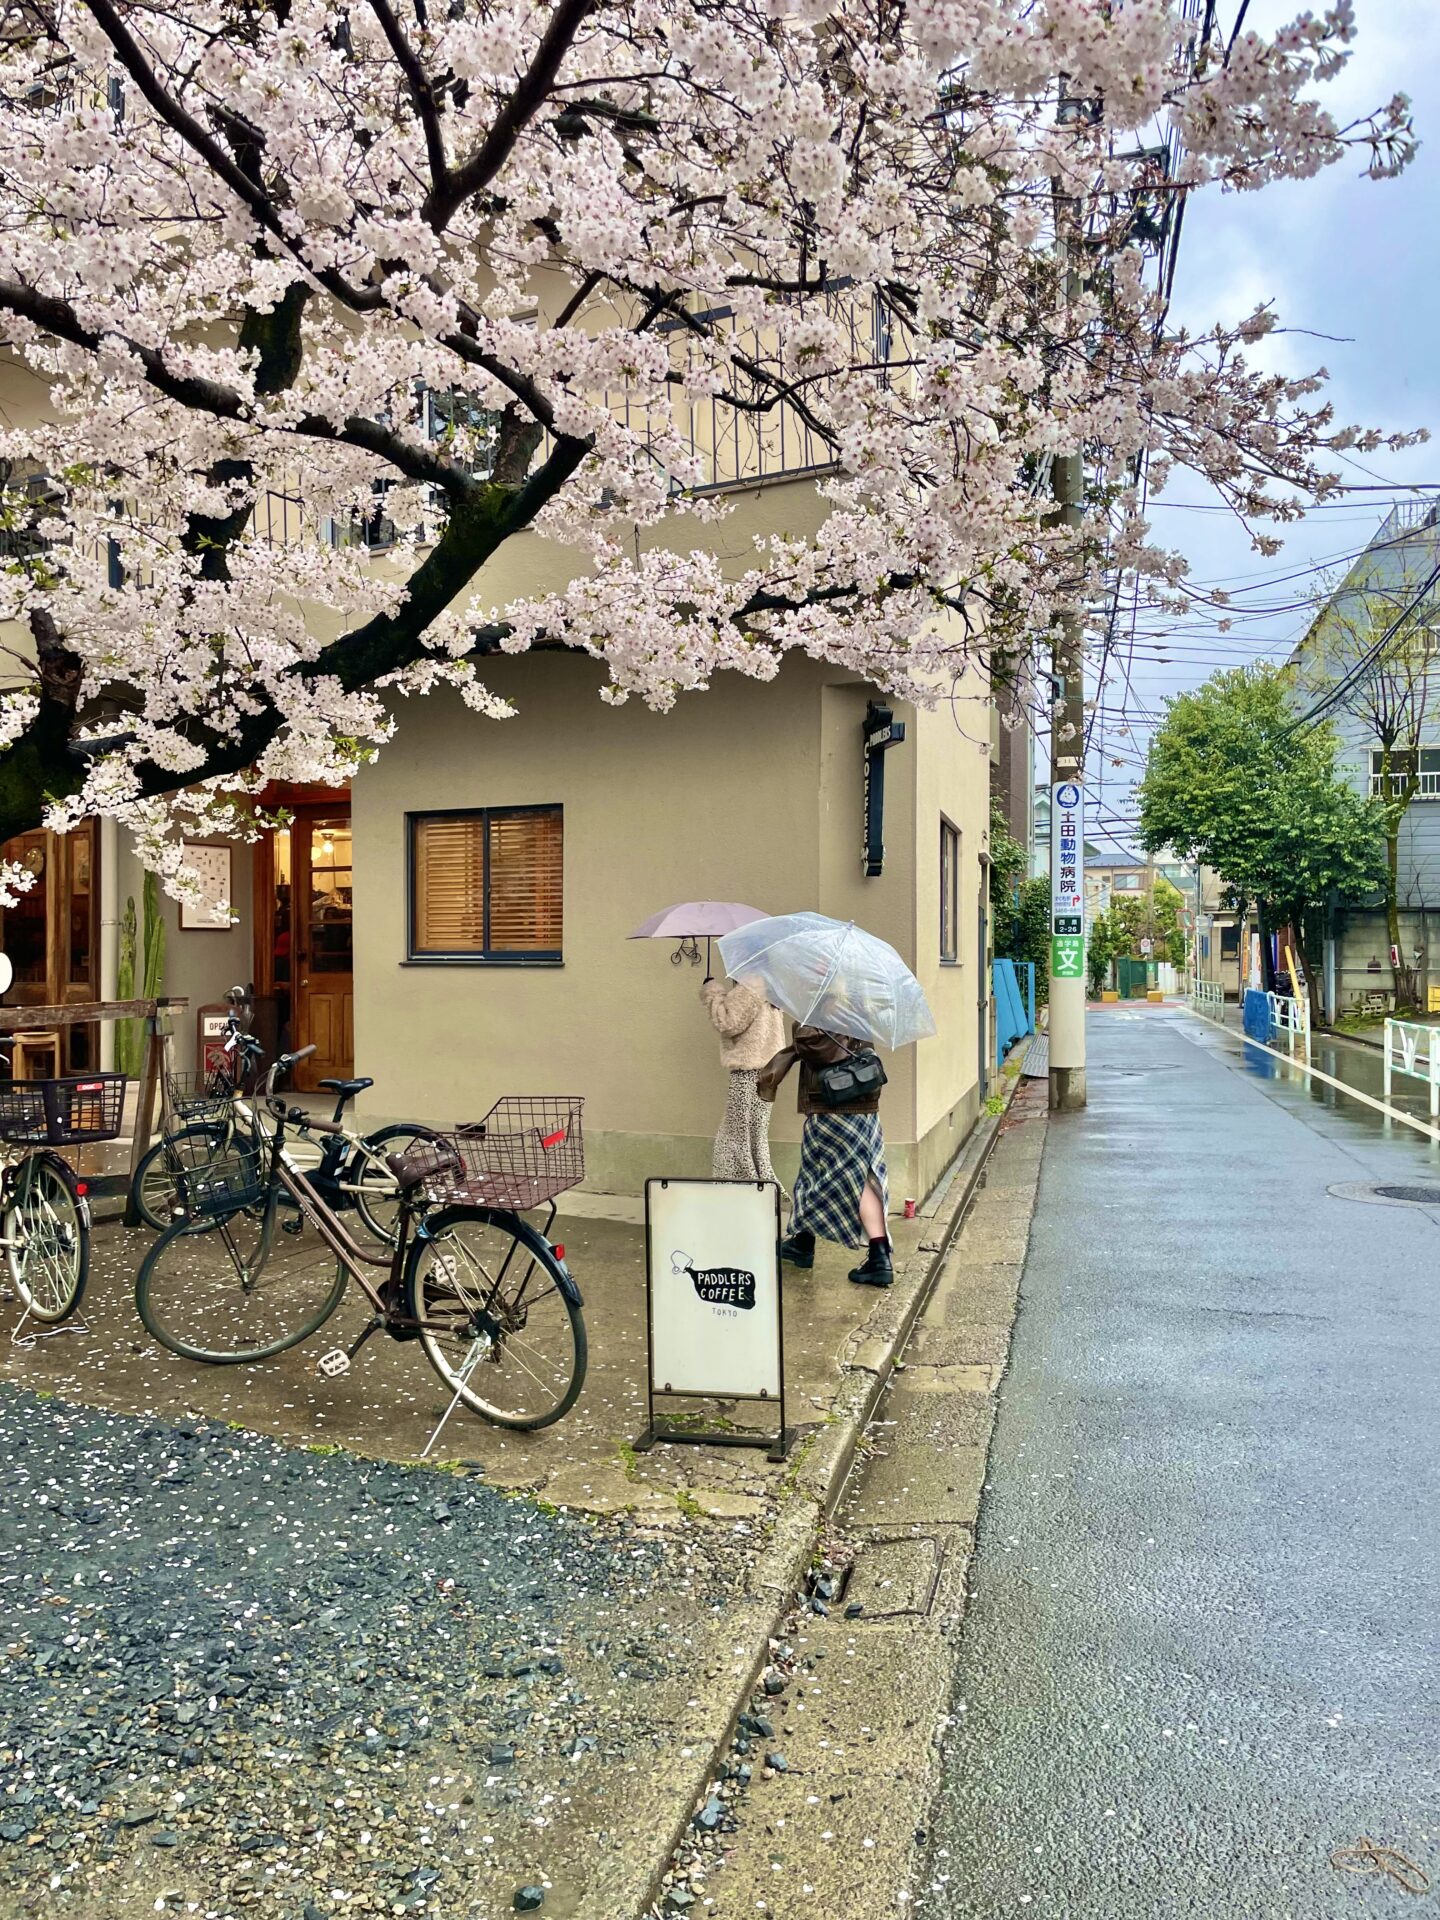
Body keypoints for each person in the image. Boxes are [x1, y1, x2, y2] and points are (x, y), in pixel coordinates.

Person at [759, 1025, 892, 1287]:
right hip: (864, 1104)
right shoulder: (858, 1005)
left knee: (832, 1178)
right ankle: (804, 1241)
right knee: (841, 1175)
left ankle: (878, 1257)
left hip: (832, 1106)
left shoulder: (824, 1006)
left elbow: (812, 1045)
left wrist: (801, 1026)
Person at [701, 975, 787, 1182]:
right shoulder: (770, 983)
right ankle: (764, 1190)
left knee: (736, 1138)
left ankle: (740, 1188)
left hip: (749, 1073)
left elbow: (727, 1022)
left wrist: (712, 993)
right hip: (766, 1071)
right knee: (753, 1137)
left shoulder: (751, 984)